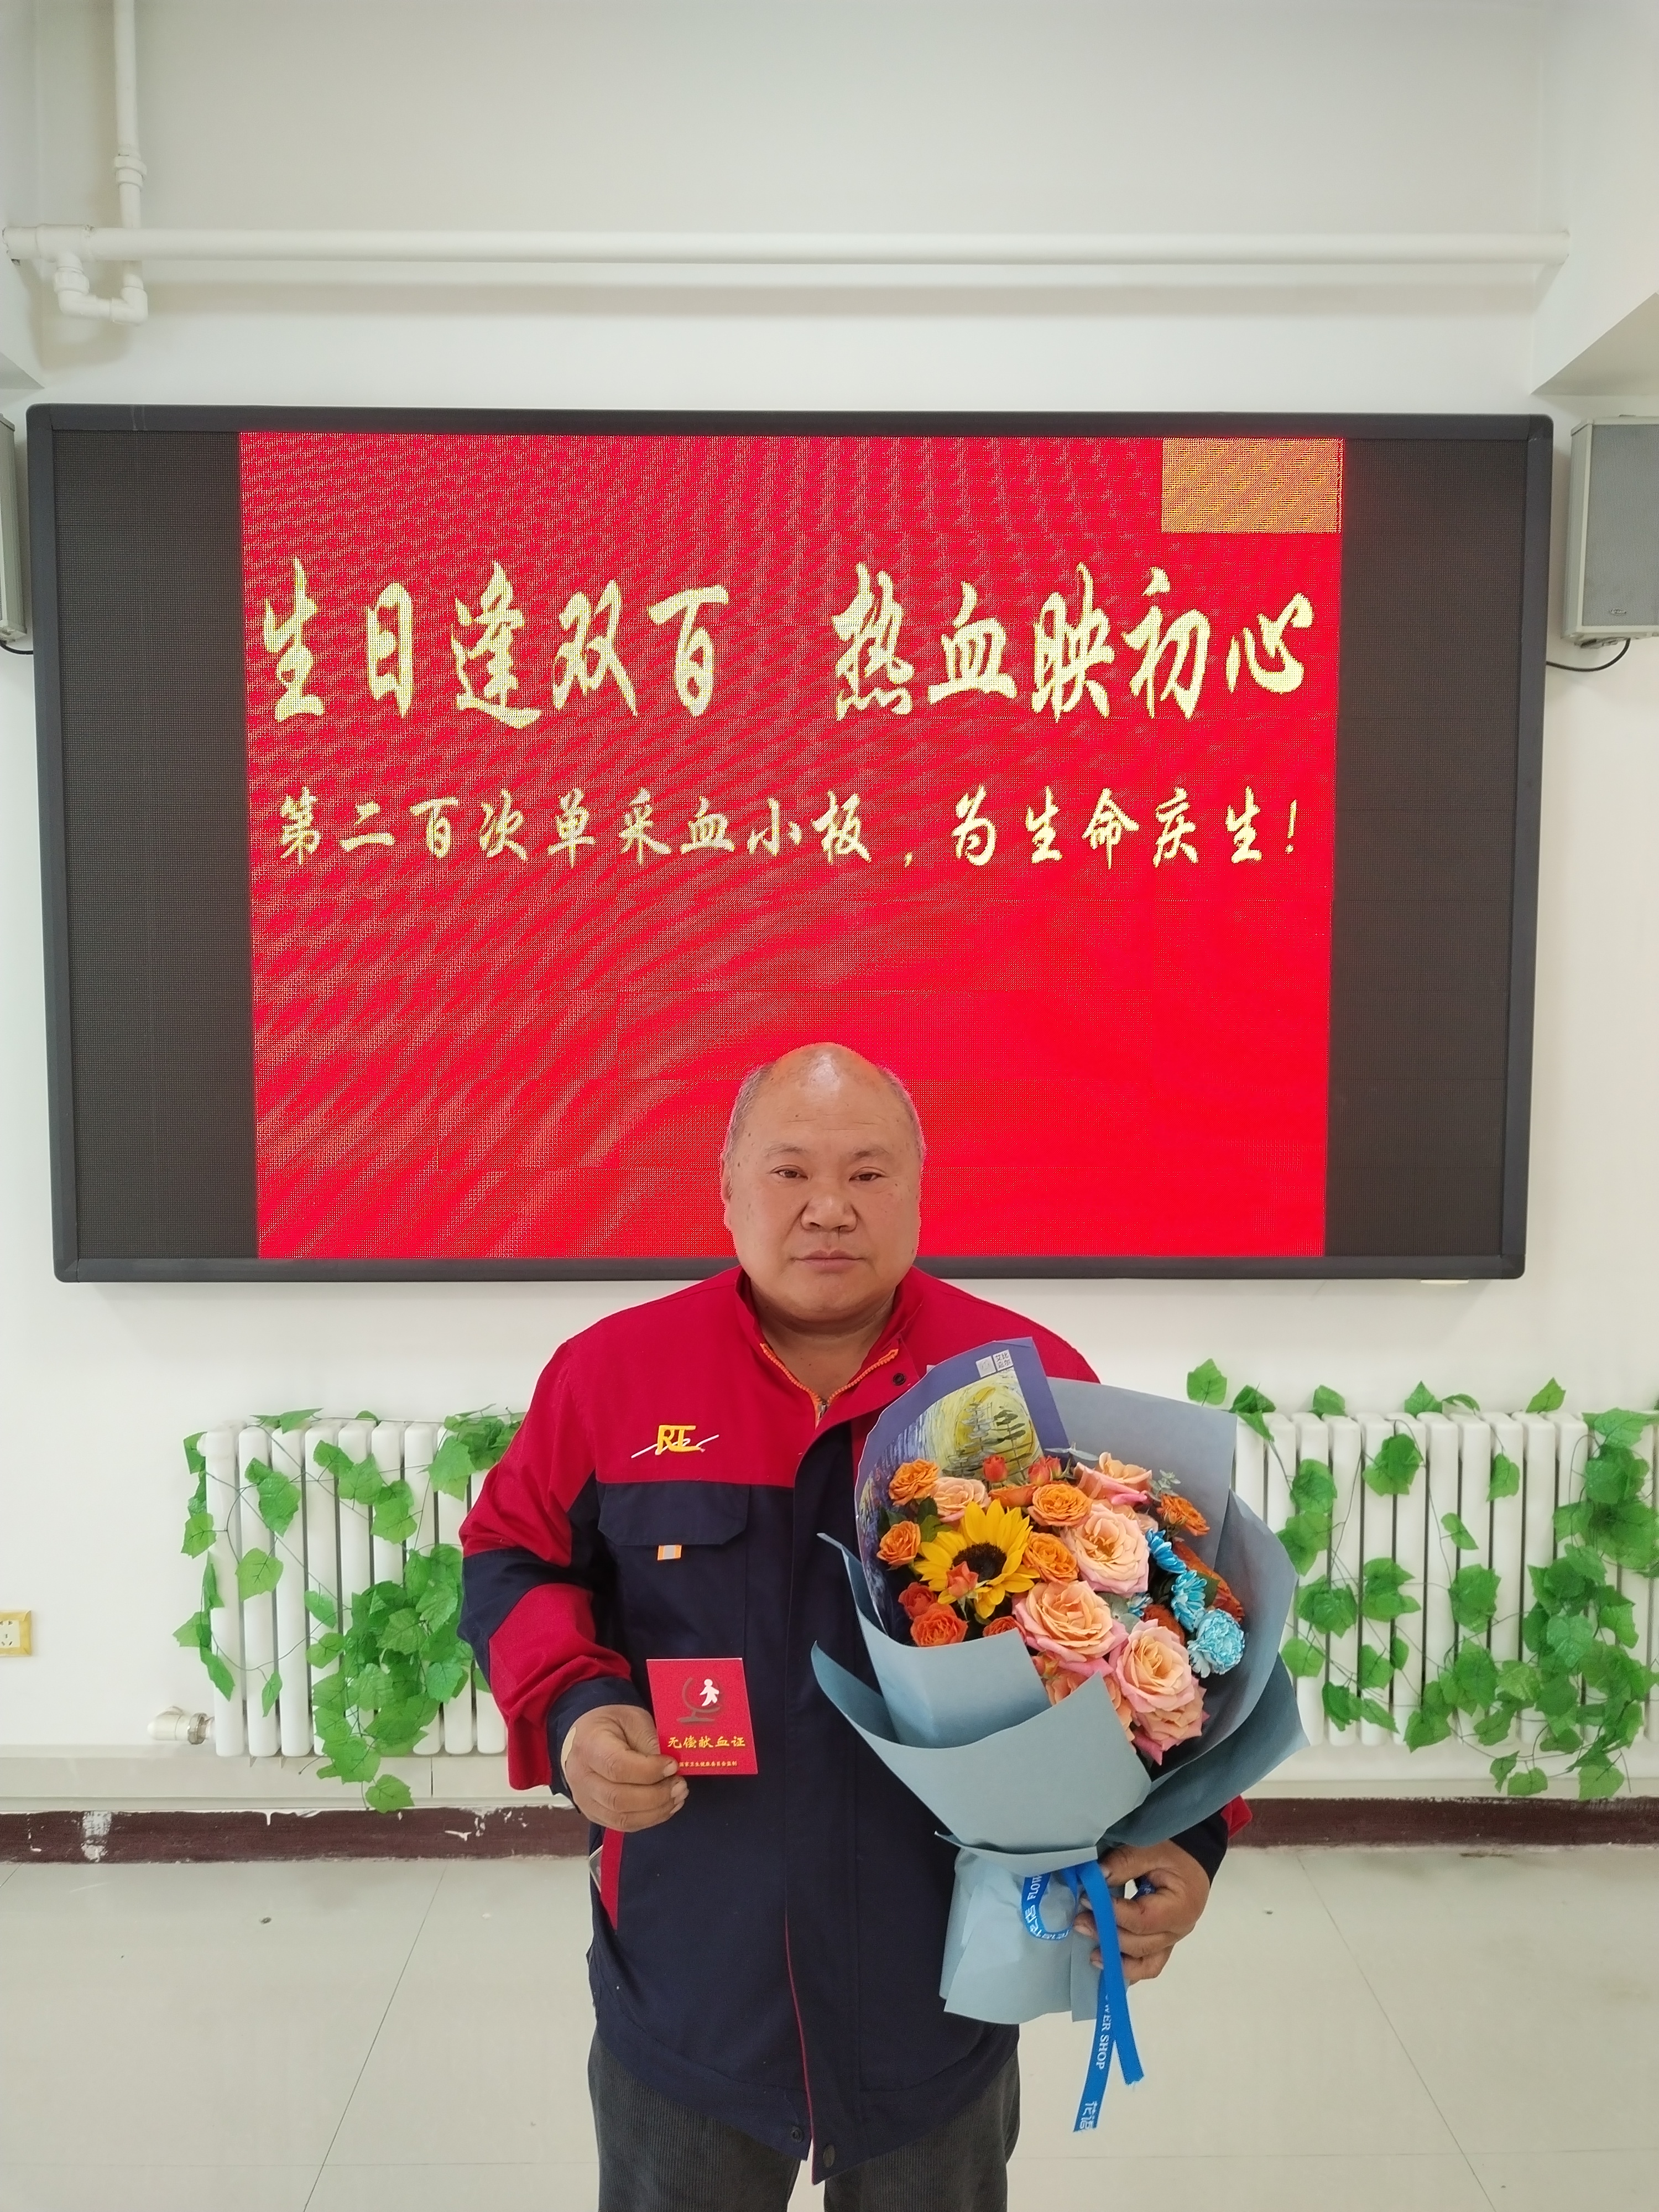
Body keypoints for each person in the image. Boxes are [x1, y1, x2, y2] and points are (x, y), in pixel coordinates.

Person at [460, 1045, 1228, 2211]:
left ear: (918, 1193)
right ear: (728, 1191)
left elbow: (1159, 1628)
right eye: (791, 1172)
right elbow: (512, 1557)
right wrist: (576, 1706)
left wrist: (1191, 1837)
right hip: (692, 1976)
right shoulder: (613, 1376)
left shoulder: (1020, 1383)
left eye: (868, 1173)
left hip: (943, 1979)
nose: (829, 1207)